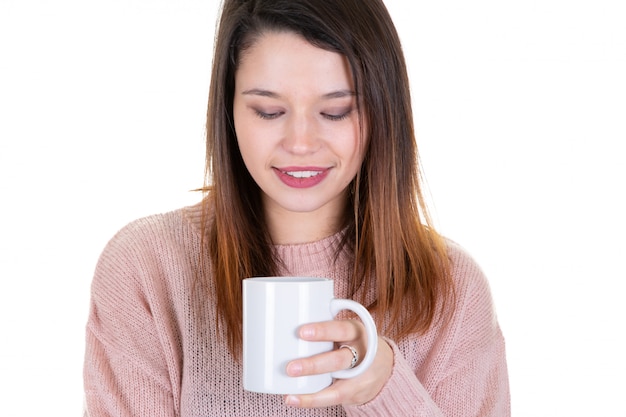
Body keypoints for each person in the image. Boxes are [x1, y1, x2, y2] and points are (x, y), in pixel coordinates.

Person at [83, 0, 510, 415]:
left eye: (336, 111)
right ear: (228, 111)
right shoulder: (147, 268)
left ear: (383, 111)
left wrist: (385, 389)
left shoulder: (451, 290)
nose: (301, 143)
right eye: (269, 111)